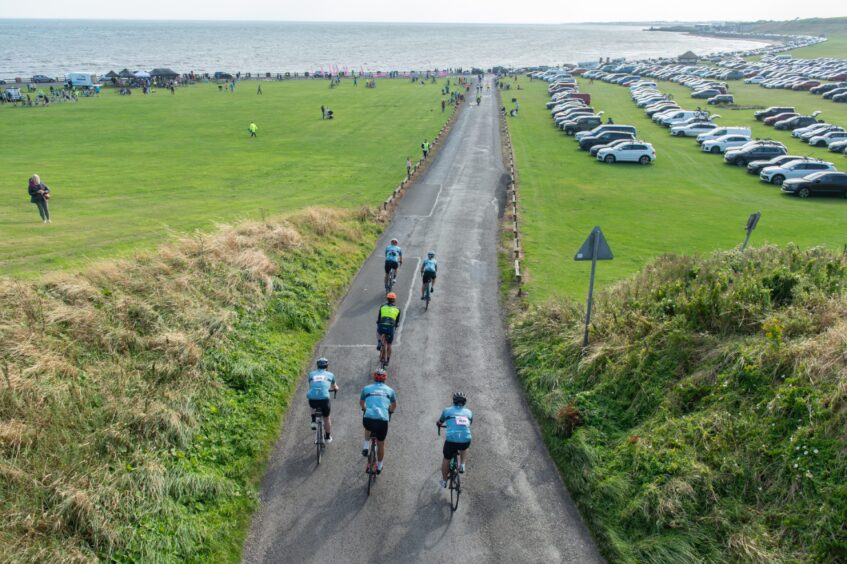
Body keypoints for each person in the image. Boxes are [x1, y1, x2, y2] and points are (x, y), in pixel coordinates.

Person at [360, 368, 397, 474]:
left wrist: (364, 408)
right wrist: (390, 411)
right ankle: (379, 467)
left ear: (374, 378)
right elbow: (394, 406)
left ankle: (366, 446)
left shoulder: (366, 389)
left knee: (368, 425)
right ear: (385, 379)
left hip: (369, 420)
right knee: (381, 444)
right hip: (382, 422)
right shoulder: (390, 390)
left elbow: (362, 403)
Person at [437, 392, 473, 488]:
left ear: (454, 401)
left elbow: (440, 421)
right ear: (464, 402)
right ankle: (462, 465)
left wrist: (439, 424)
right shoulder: (469, 412)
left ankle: (444, 481)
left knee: (446, 459)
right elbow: (470, 422)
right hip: (465, 439)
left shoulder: (447, 411)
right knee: (464, 446)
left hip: (451, 441)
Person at [306, 357, 339, 442]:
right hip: (324, 400)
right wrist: (336, 388)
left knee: (312, 400)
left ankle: (313, 420)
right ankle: (327, 437)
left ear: (317, 366)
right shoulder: (330, 375)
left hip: (313, 399)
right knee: (327, 418)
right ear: (327, 366)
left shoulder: (311, 374)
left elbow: (311, 385)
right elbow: (334, 386)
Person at [376, 293, 401, 362]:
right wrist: (395, 326)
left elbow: (379, 318)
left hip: (382, 326)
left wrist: (378, 322)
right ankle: (388, 359)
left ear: (387, 299)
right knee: (389, 344)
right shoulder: (398, 309)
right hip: (390, 328)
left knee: (378, 332)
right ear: (394, 300)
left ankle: (379, 342)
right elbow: (397, 322)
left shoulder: (382, 306)